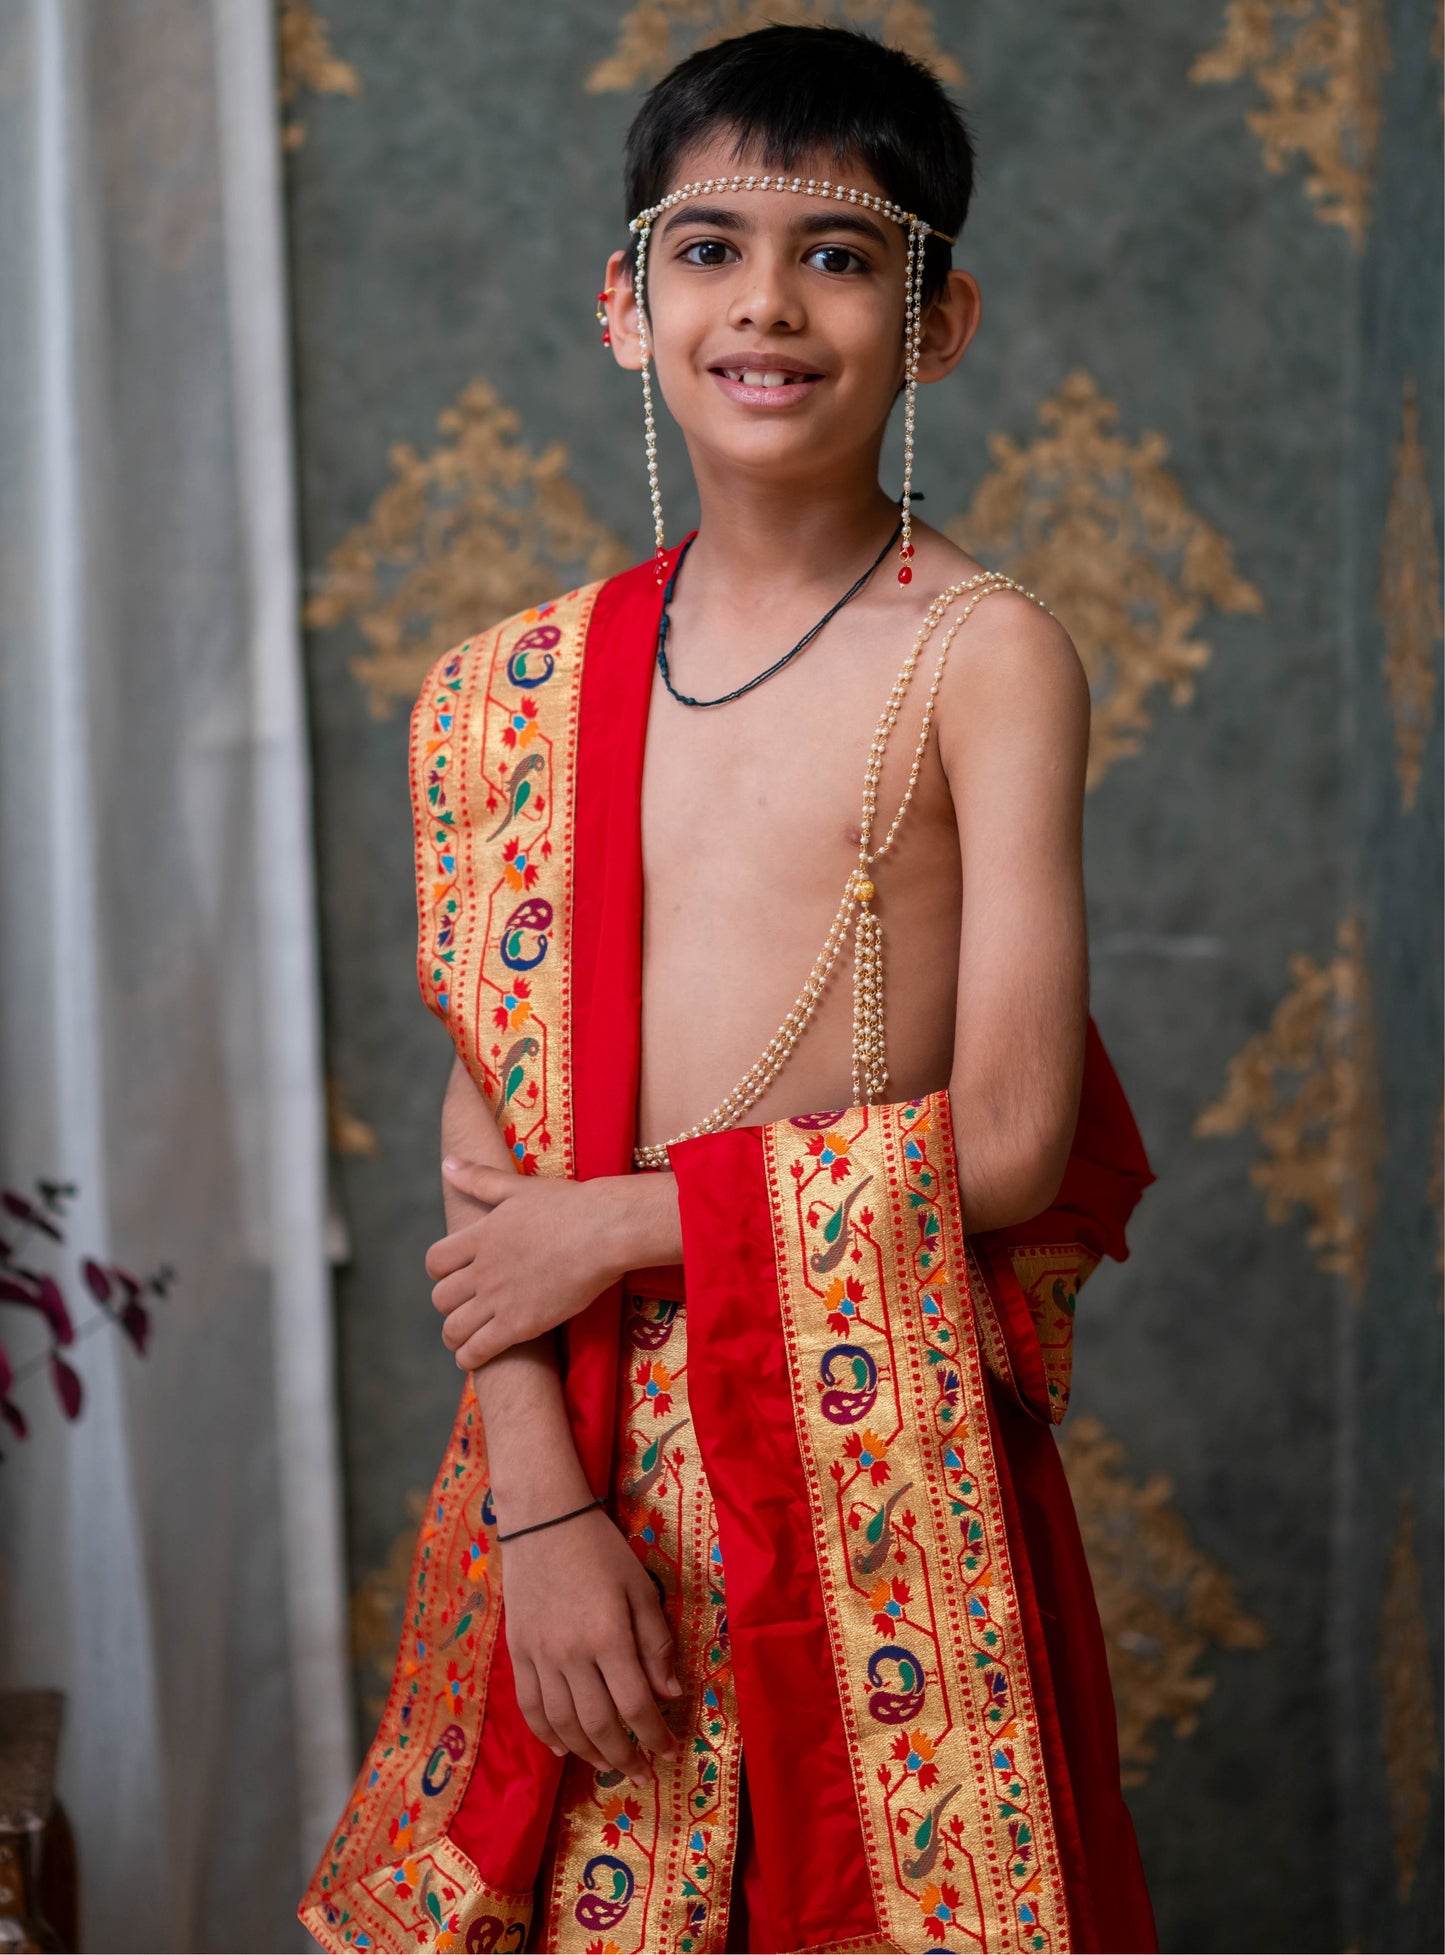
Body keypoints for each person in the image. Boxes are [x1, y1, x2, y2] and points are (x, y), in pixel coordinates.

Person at [301, 25, 1158, 1955]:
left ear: (934, 325)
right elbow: (482, 1165)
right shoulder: (502, 692)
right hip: (565, 1462)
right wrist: (542, 1511)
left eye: (842, 255)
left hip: (881, 1456)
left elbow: (1013, 1143)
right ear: (625, 303)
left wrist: (609, 1227)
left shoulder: (983, 658)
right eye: (708, 248)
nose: (766, 303)